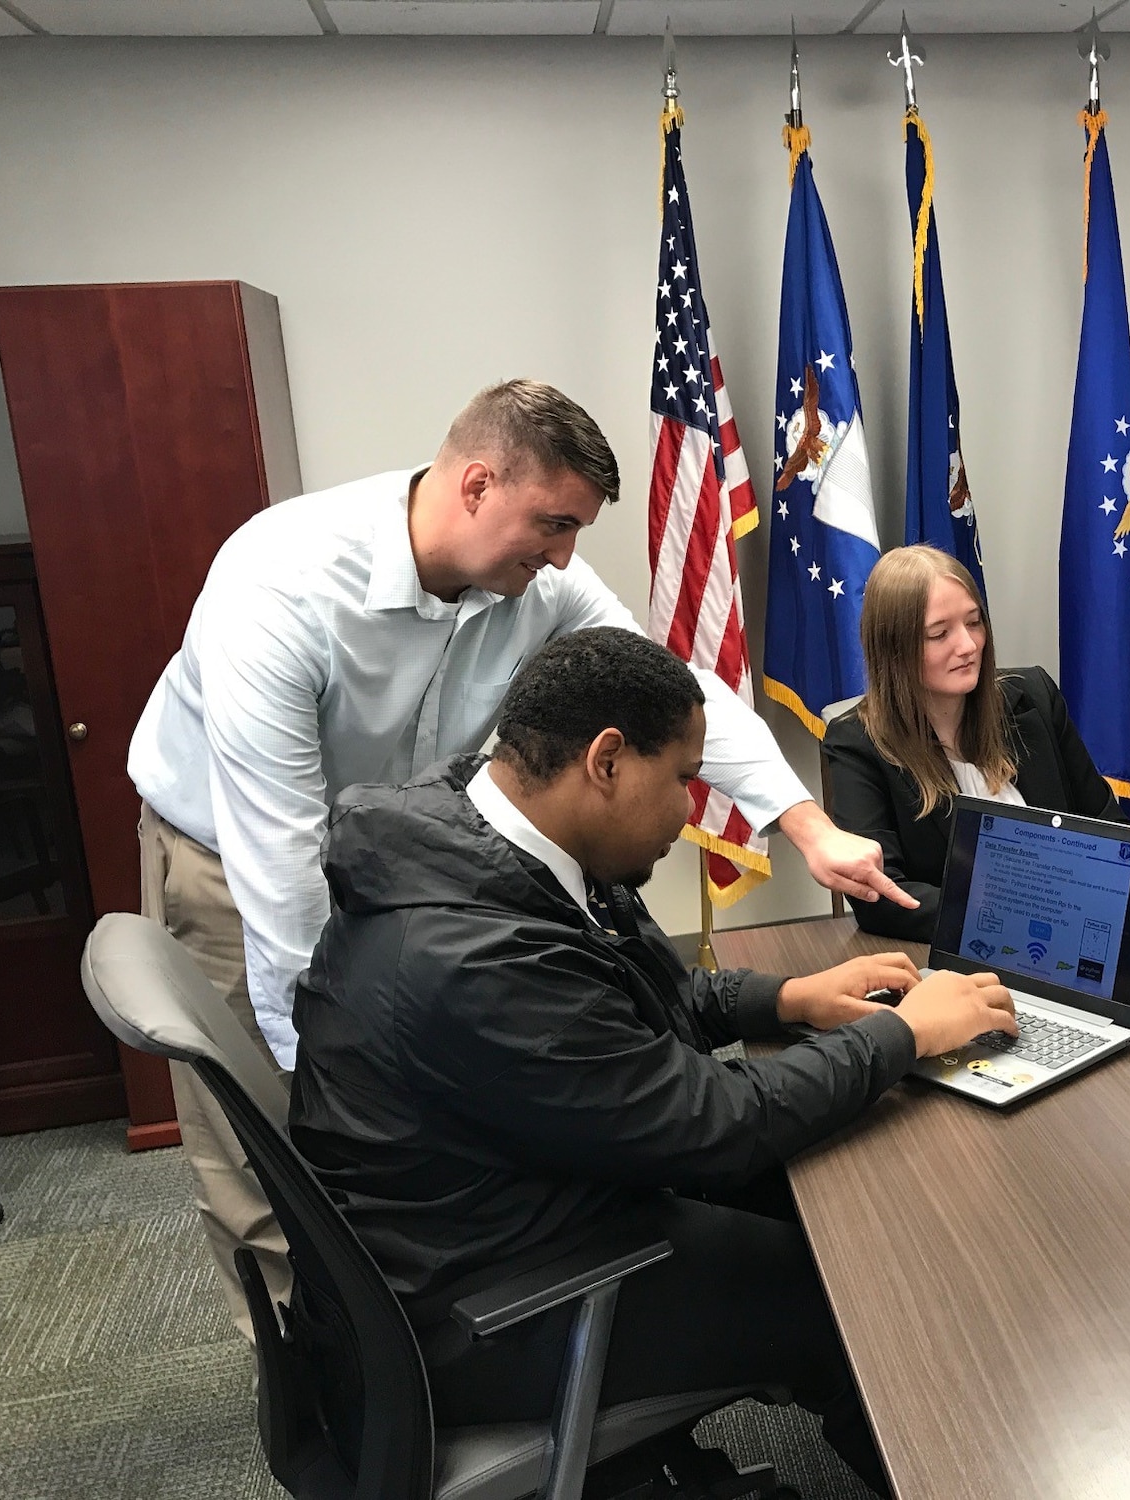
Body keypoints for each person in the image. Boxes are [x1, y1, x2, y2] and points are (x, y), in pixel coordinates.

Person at [127, 379, 915, 1340]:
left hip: (397, 847)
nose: (562, 558)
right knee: (275, 1165)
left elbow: (671, 686)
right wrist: (348, 1115)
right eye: (551, 525)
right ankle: (344, 1381)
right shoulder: (280, 586)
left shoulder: (533, 578)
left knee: (432, 1114)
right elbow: (285, 877)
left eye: (575, 531)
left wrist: (806, 825)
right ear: (473, 484)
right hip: (229, 853)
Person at [287, 627, 1016, 1495]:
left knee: (819, 1212)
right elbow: (715, 1124)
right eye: (683, 779)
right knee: (865, 1287)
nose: (690, 810)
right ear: (606, 761)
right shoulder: (472, 957)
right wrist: (905, 1034)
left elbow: (621, 1008)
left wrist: (785, 999)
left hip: (491, 1216)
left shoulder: (483, 840)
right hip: (491, 1311)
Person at [823, 544, 1122, 943]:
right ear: (894, 648)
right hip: (953, 965)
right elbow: (881, 896)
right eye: (939, 633)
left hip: (1081, 943)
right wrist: (1022, 917)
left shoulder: (1033, 696)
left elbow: (1107, 829)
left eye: (974, 622)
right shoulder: (856, 743)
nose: (967, 646)